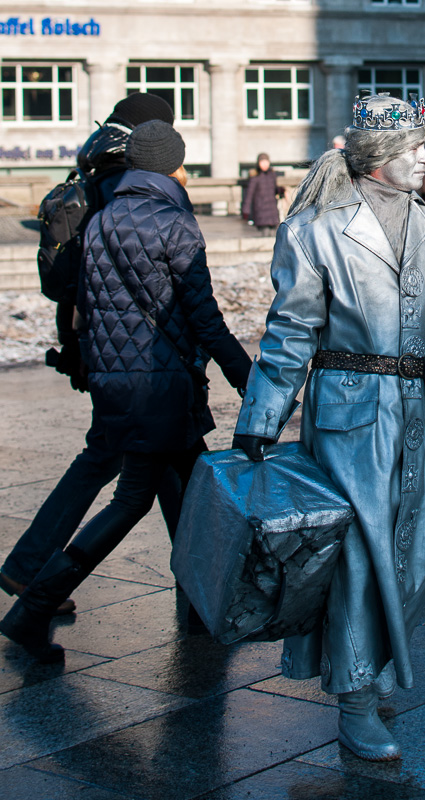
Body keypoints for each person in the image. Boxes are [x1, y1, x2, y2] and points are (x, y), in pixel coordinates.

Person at [232, 93, 425, 762]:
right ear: (376, 158)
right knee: (361, 558)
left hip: (422, 410)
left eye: (424, 144)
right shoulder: (315, 230)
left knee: (418, 550)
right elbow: (291, 330)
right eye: (414, 146)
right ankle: (357, 699)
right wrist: (261, 418)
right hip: (350, 414)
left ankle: (370, 662)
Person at [0, 120, 252, 664]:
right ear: (173, 165)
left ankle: (201, 611)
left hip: (117, 384)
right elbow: (204, 319)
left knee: (189, 496)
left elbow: (91, 309)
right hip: (161, 389)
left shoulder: (101, 219)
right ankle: (32, 610)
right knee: (133, 501)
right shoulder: (175, 223)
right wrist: (248, 378)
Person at [0, 93, 178, 614]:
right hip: (134, 352)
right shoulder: (124, 176)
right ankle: (32, 574)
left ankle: (199, 584)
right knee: (115, 456)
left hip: (98, 343)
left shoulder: (92, 164)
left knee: (153, 461)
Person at [242, 153, 283, 236]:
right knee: (265, 234)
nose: (264, 164)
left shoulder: (272, 175)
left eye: (266, 162)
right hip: (261, 211)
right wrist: (246, 211)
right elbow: (249, 195)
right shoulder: (255, 176)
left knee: (275, 236)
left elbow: (275, 190)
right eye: (262, 162)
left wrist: (281, 191)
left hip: (272, 211)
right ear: (258, 163)